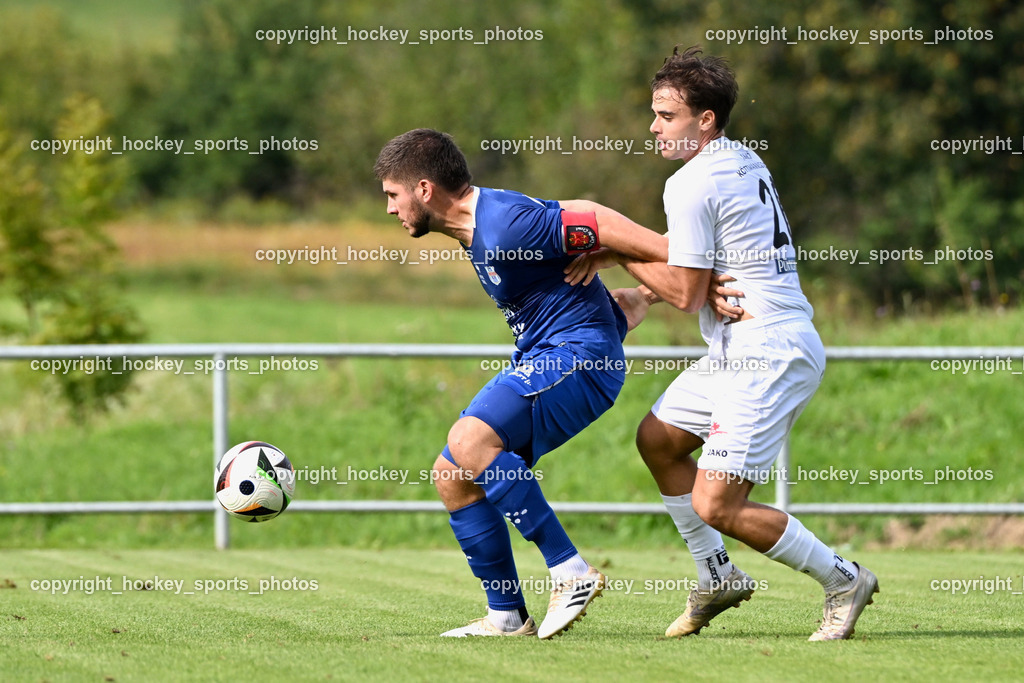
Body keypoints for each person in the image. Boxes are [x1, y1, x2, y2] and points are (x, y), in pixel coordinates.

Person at [565, 47, 879, 641]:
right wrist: (647, 285)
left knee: (718, 505)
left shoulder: (690, 181)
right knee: (658, 440)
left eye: (666, 116)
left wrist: (620, 251)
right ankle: (718, 575)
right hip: (747, 346)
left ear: (705, 119)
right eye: (654, 114)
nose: (653, 127)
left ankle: (844, 579)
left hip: (766, 351)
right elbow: (702, 258)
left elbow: (688, 291)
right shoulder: (741, 159)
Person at [373, 128, 669, 638]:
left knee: (470, 440)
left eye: (392, 195)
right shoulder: (479, 229)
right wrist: (636, 298)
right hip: (556, 354)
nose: (389, 208)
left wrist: (671, 265)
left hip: (580, 360)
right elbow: (560, 286)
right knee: (452, 474)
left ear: (424, 189)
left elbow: (598, 221)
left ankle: (571, 571)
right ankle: (506, 615)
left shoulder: (506, 226)